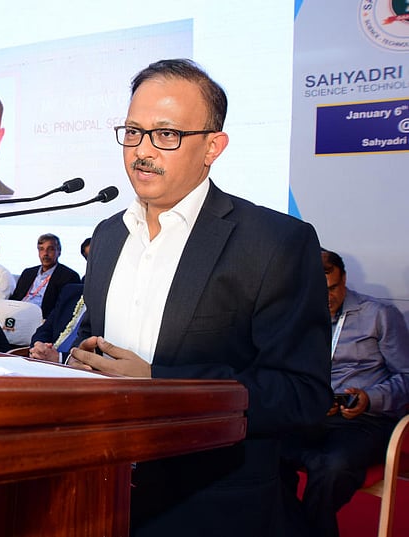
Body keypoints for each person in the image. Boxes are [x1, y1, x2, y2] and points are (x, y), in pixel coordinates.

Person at [67, 59, 331, 536]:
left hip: (210, 507)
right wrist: (72, 359)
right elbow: (97, 340)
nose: (141, 152)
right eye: (133, 131)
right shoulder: (107, 236)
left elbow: (301, 396)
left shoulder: (273, 242)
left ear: (213, 146)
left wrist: (158, 383)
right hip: (96, 493)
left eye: (165, 134)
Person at [280, 249, 409, 537]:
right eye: (318, 290)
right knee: (262, 453)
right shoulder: (297, 320)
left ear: (344, 279)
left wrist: (368, 398)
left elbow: (407, 378)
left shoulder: (378, 315)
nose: (327, 298)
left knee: (331, 465)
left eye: (334, 288)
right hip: (314, 418)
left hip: (366, 421)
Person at [9, 233, 80, 318]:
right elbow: (15, 298)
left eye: (50, 249)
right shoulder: (28, 273)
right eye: (41, 249)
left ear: (59, 251)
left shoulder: (69, 276)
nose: (45, 253)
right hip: (19, 314)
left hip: (42, 318)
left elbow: (63, 309)